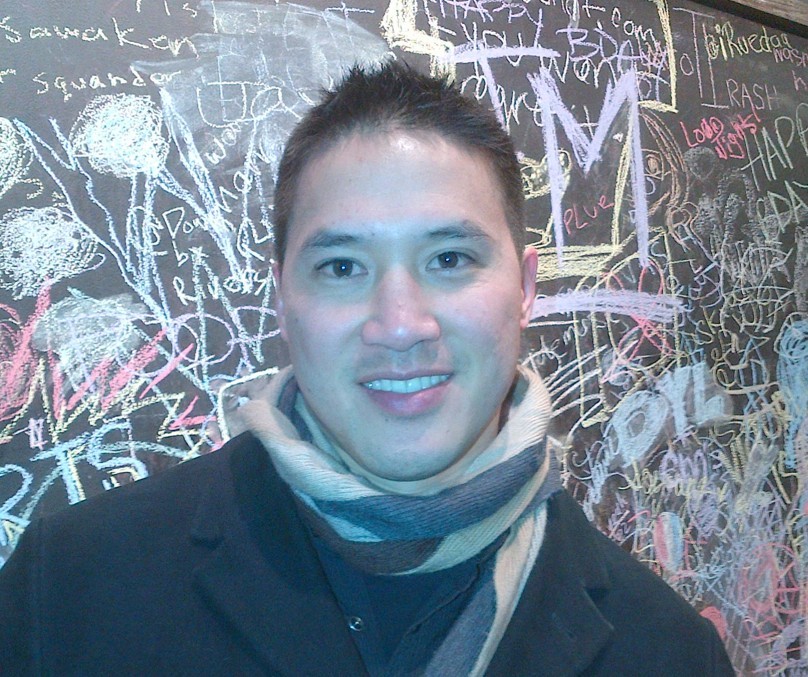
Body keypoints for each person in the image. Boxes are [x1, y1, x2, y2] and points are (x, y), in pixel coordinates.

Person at [0, 61, 734, 676]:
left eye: (450, 258)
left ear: (525, 288)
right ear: (283, 298)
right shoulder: (67, 588)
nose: (400, 325)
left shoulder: (669, 653)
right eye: (343, 266)